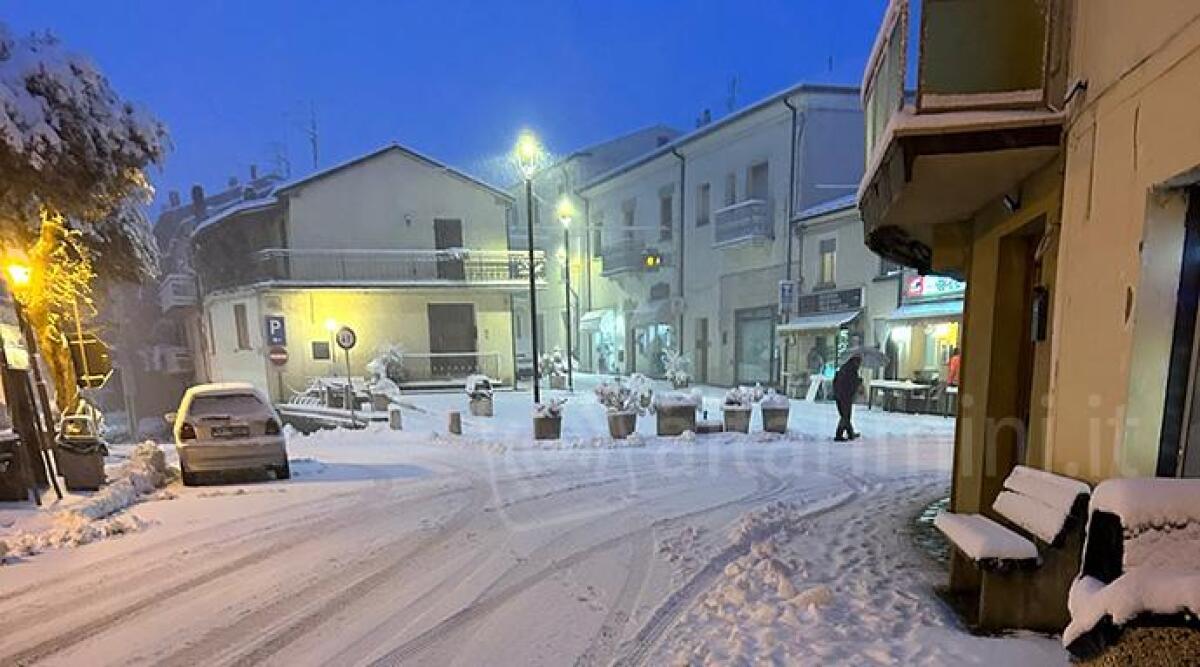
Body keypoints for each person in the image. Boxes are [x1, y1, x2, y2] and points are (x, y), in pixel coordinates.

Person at [833, 355, 862, 441]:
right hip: (845, 396)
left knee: (846, 415)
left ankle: (850, 433)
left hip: (840, 395)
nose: (860, 365)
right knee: (845, 416)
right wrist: (858, 381)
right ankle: (839, 435)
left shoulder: (844, 368)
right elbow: (850, 384)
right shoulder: (851, 371)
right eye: (859, 363)